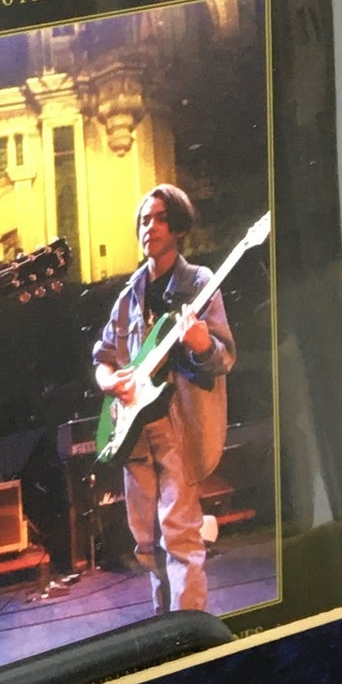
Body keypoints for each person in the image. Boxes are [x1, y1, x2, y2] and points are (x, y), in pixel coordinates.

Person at [92, 185, 236, 614]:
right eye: (143, 220)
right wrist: (108, 383)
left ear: (178, 227)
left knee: (180, 533)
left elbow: (223, 357)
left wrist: (200, 342)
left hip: (177, 424)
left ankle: (188, 628)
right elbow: (103, 357)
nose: (148, 228)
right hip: (133, 429)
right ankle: (163, 623)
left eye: (158, 219)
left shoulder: (199, 283)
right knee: (145, 540)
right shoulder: (128, 296)